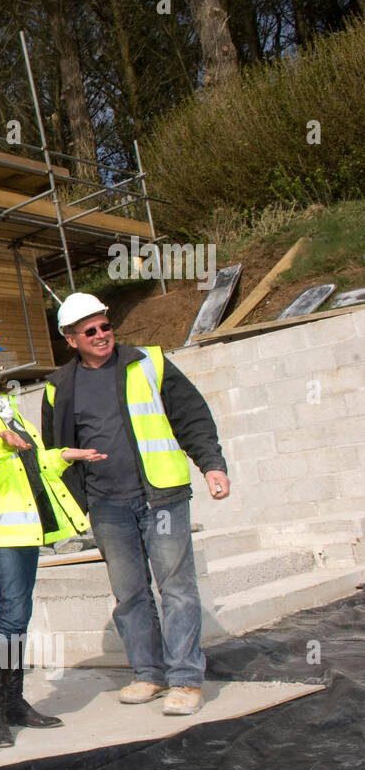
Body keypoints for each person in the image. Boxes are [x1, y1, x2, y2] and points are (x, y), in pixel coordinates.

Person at [42, 293, 229, 717]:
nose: (101, 334)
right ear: (71, 339)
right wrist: (77, 504)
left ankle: (185, 679)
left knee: (177, 589)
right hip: (107, 504)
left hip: (161, 495)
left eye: (105, 325)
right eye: (89, 331)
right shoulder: (57, 387)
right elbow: (57, 450)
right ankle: (148, 673)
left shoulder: (150, 362)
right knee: (129, 594)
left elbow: (192, 417)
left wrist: (212, 465)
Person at [0, 322, 106, 747]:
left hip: (20, 525)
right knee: (9, 616)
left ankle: (14, 702)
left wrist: (63, 455)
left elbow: (31, 462)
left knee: (18, 616)